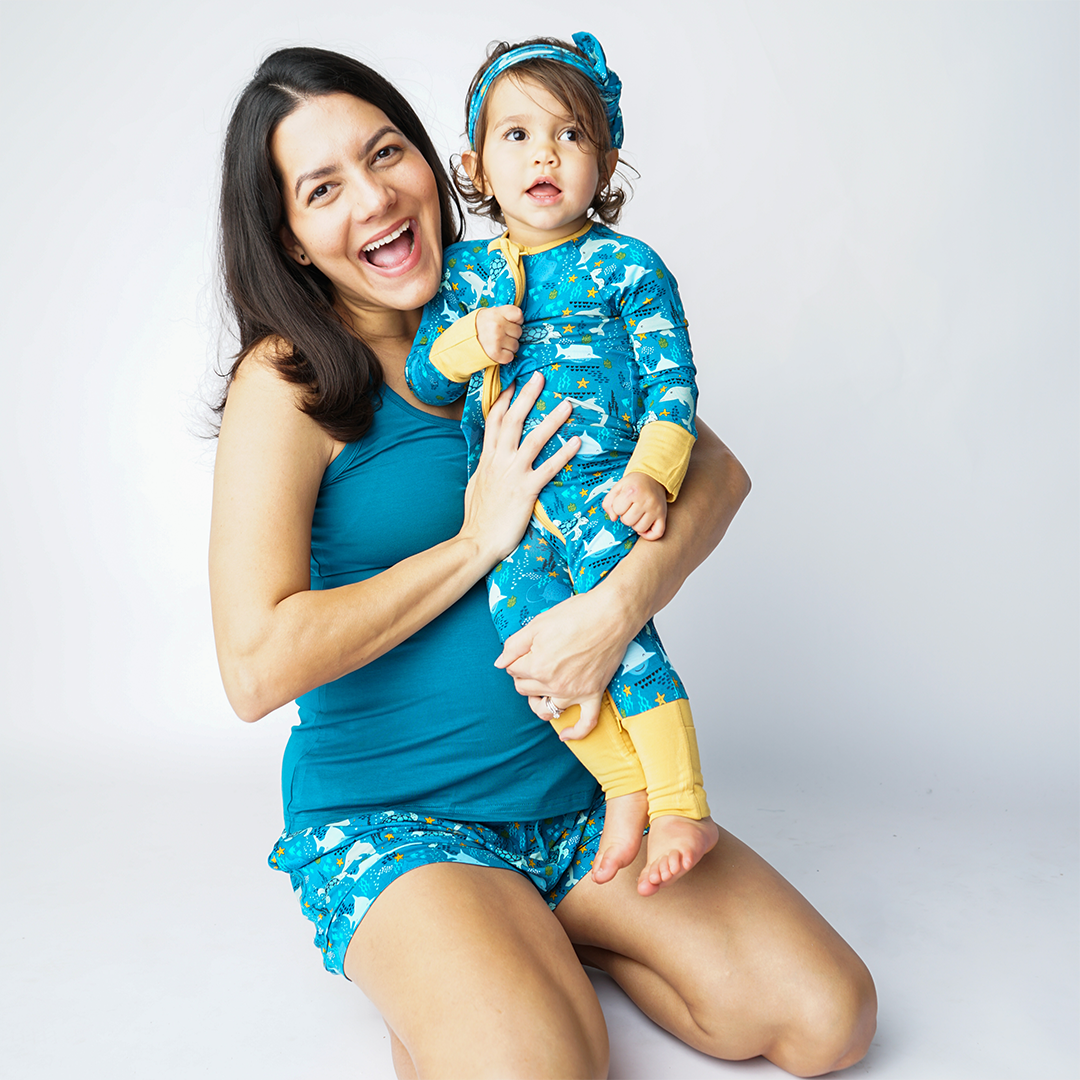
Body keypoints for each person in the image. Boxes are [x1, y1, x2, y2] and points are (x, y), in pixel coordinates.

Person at [209, 44, 876, 1080]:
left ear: (440, 161)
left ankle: (536, 939)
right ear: (291, 237)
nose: (376, 199)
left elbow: (719, 474)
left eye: (388, 154)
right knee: (550, 1069)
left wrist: (615, 612)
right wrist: (480, 538)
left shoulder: (516, 284)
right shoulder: (286, 384)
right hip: (400, 818)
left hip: (580, 787)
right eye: (324, 188)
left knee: (827, 1019)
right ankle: (468, 953)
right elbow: (254, 668)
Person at [405, 32, 715, 895]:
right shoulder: (466, 275)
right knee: (532, 645)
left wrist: (652, 474)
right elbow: (426, 373)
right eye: (517, 136)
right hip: (510, 517)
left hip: (600, 492)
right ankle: (622, 783)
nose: (545, 153)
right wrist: (470, 341)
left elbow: (673, 382)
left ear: (606, 158)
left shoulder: (626, 265)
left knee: (627, 640)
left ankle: (683, 800)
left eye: (571, 135)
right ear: (475, 164)